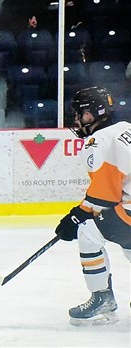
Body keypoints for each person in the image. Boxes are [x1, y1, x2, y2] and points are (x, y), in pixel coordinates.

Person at [54, 86, 131, 326]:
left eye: (80, 114)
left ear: (94, 114)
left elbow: (104, 196)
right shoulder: (126, 127)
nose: (76, 119)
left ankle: (102, 298)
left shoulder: (99, 141)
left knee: (88, 233)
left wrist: (76, 217)